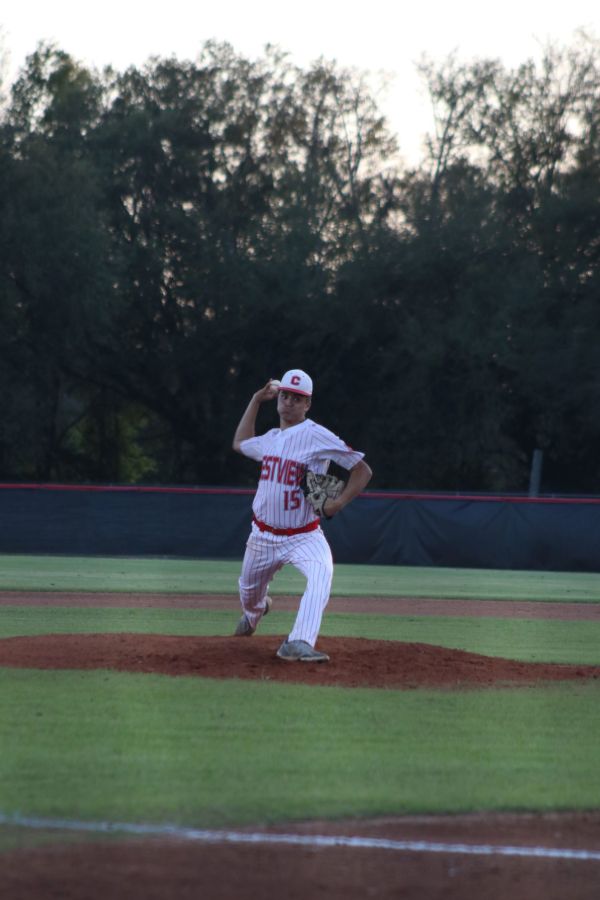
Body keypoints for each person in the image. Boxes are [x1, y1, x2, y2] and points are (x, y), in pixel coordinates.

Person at [232, 368, 372, 662]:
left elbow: (362, 470)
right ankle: (256, 612)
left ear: (307, 404)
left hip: (304, 535)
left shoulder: (317, 435)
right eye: (285, 396)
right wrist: (256, 400)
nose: (289, 402)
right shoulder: (271, 439)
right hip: (262, 536)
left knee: (322, 574)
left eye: (297, 398)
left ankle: (298, 641)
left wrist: (338, 504)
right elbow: (240, 443)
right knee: (249, 594)